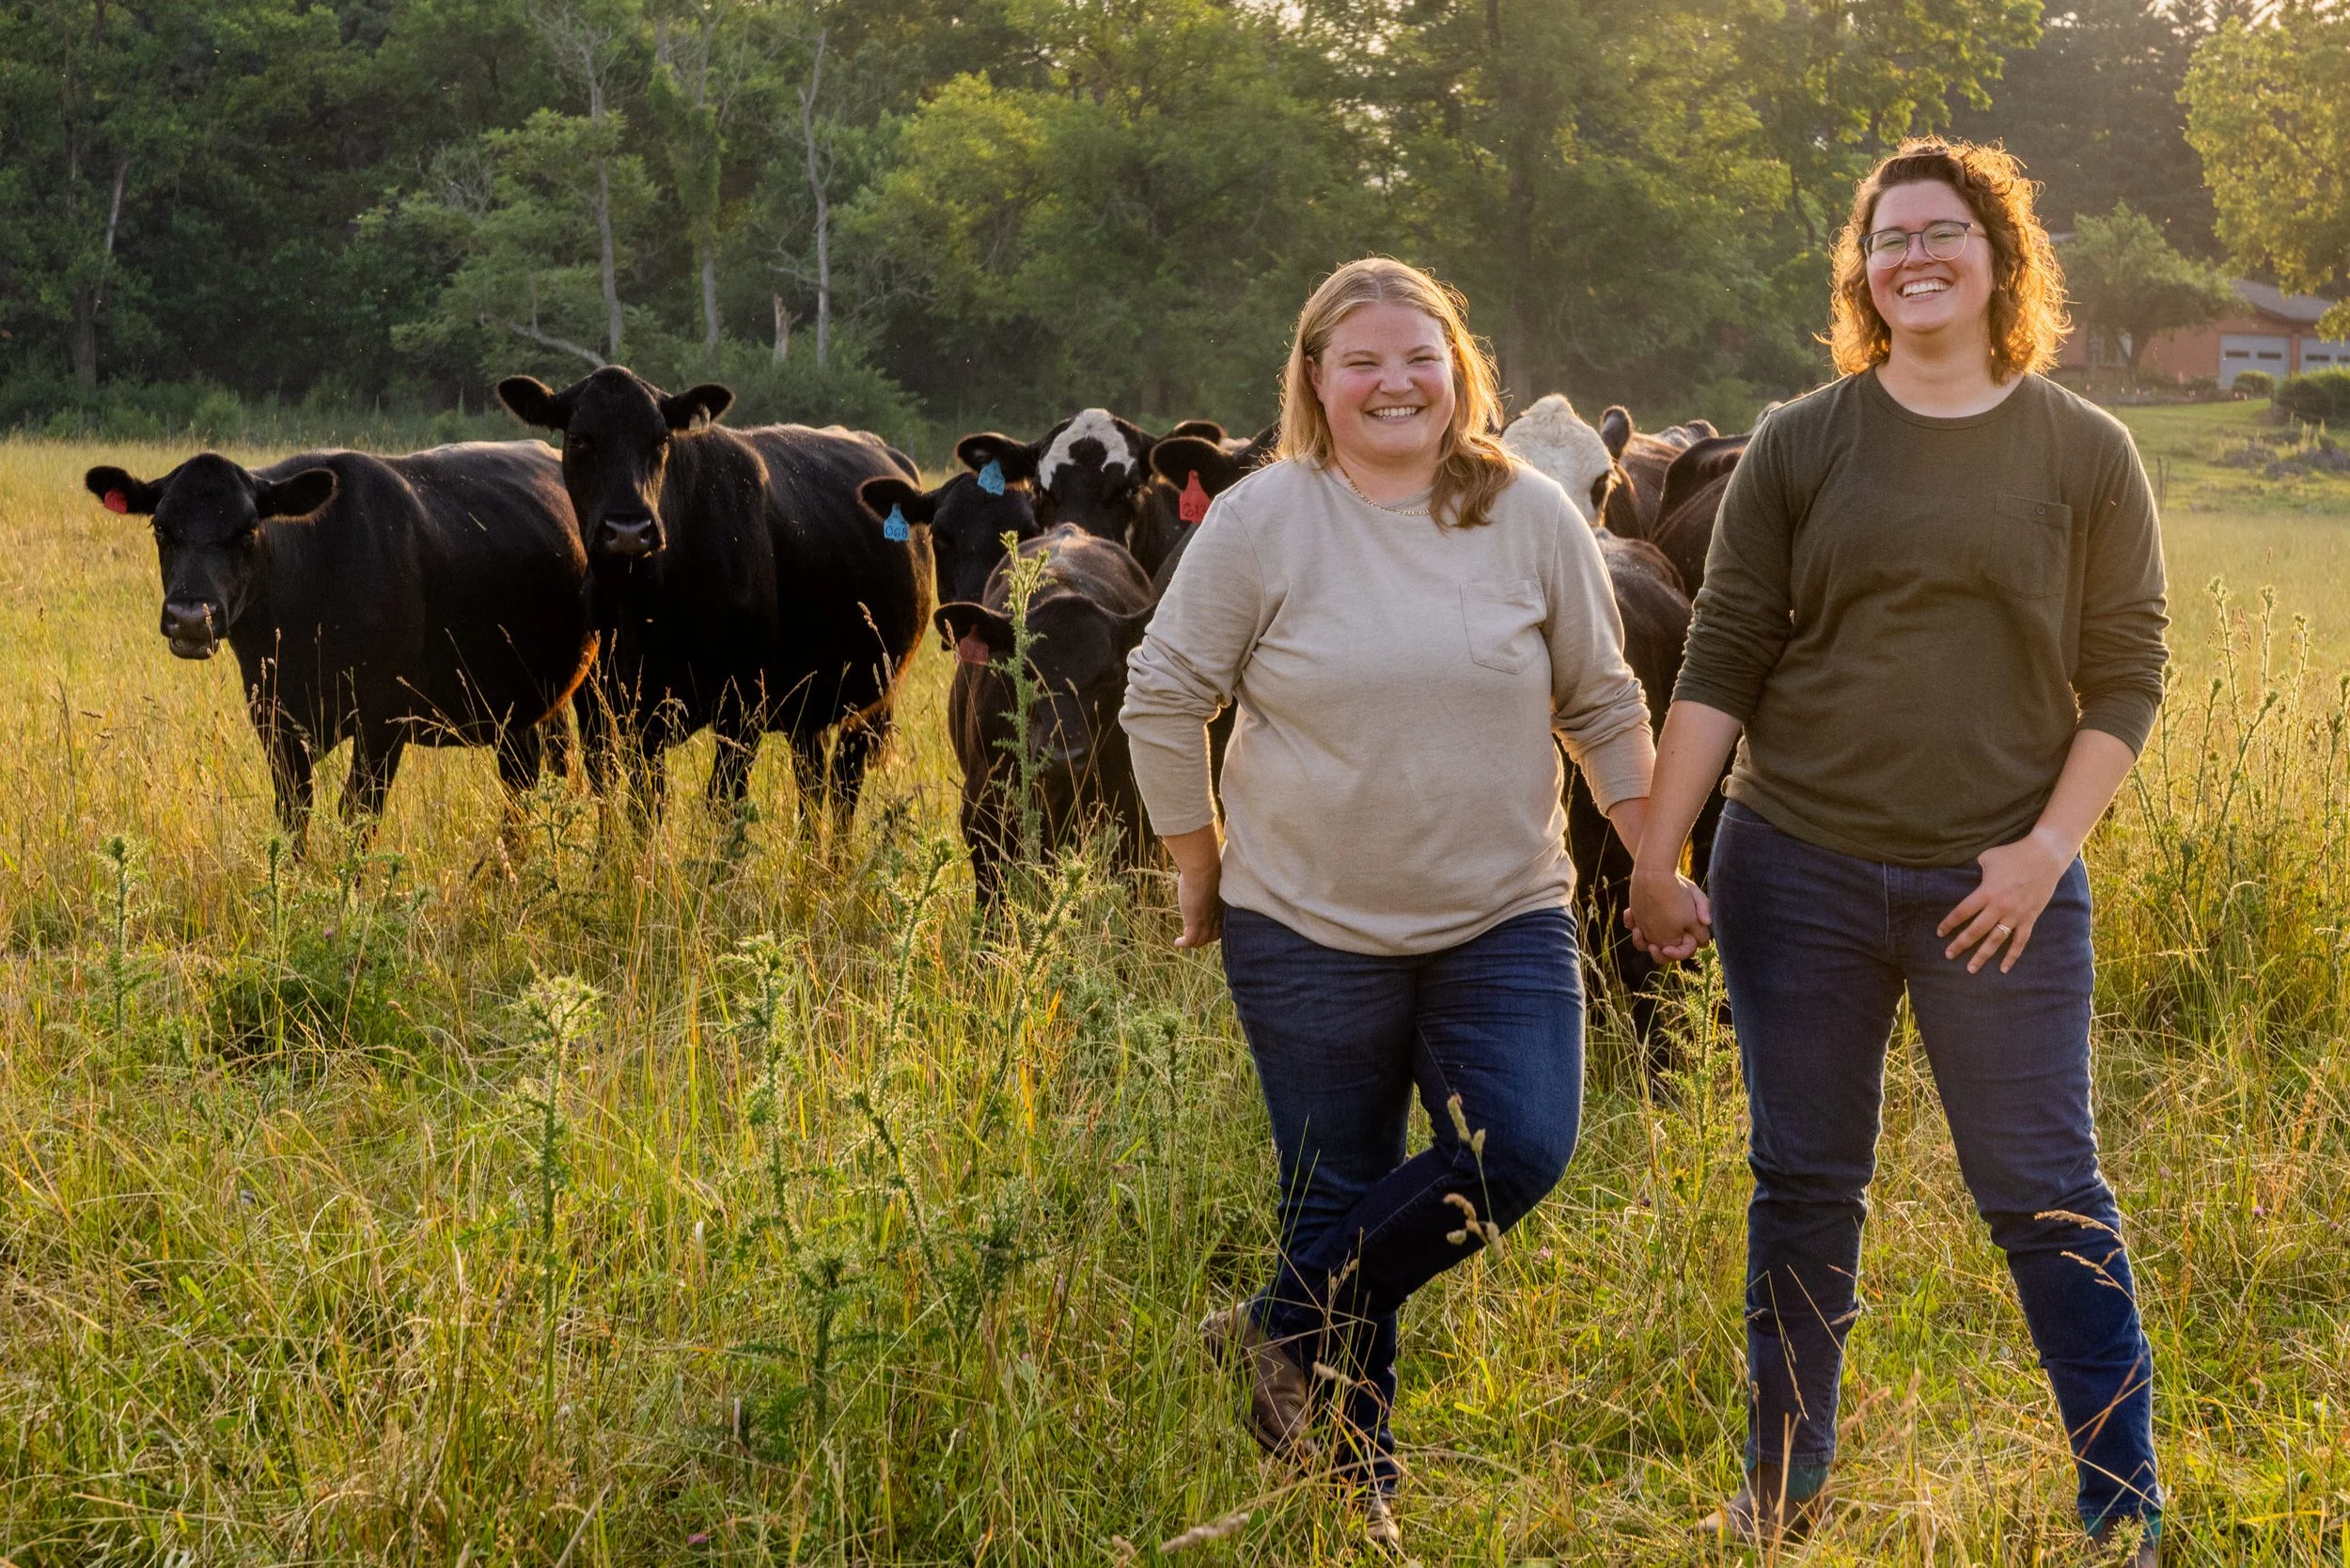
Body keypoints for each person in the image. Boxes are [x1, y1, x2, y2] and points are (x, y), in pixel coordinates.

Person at [1627, 139, 2167, 1562]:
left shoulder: (2084, 450)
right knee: (1803, 1185)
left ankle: (2124, 1505)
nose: (1914, 257)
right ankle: (1782, 1491)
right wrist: (1657, 851)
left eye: (1942, 232)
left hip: (2003, 888)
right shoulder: (1806, 441)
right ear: (1862, 273)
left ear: (2001, 257)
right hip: (1794, 869)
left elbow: (2124, 678)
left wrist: (2047, 850)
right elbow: (1726, 650)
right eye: (1887, 238)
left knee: (2047, 1189)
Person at [1120, 257, 1655, 1550]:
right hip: (1304, 927)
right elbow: (1161, 695)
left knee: (1519, 1148)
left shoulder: (1531, 516)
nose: (1393, 381)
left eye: (1419, 355)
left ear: (1459, 369)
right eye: (1360, 360)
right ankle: (1352, 1498)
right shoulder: (1262, 521)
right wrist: (1199, 866)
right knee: (1340, 1190)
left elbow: (1602, 707)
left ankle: (1267, 1327)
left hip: (1504, 915)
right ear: (1315, 381)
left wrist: (1657, 859)